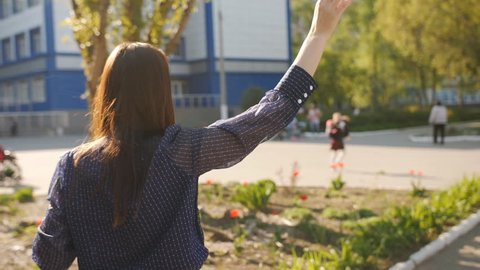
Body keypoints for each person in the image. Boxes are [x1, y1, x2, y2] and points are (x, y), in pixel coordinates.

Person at [32, 0, 352, 269]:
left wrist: (61, 206)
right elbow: (269, 114)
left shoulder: (71, 166)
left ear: (106, 91)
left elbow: (50, 258)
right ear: (161, 92)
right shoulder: (182, 150)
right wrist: (317, 34)